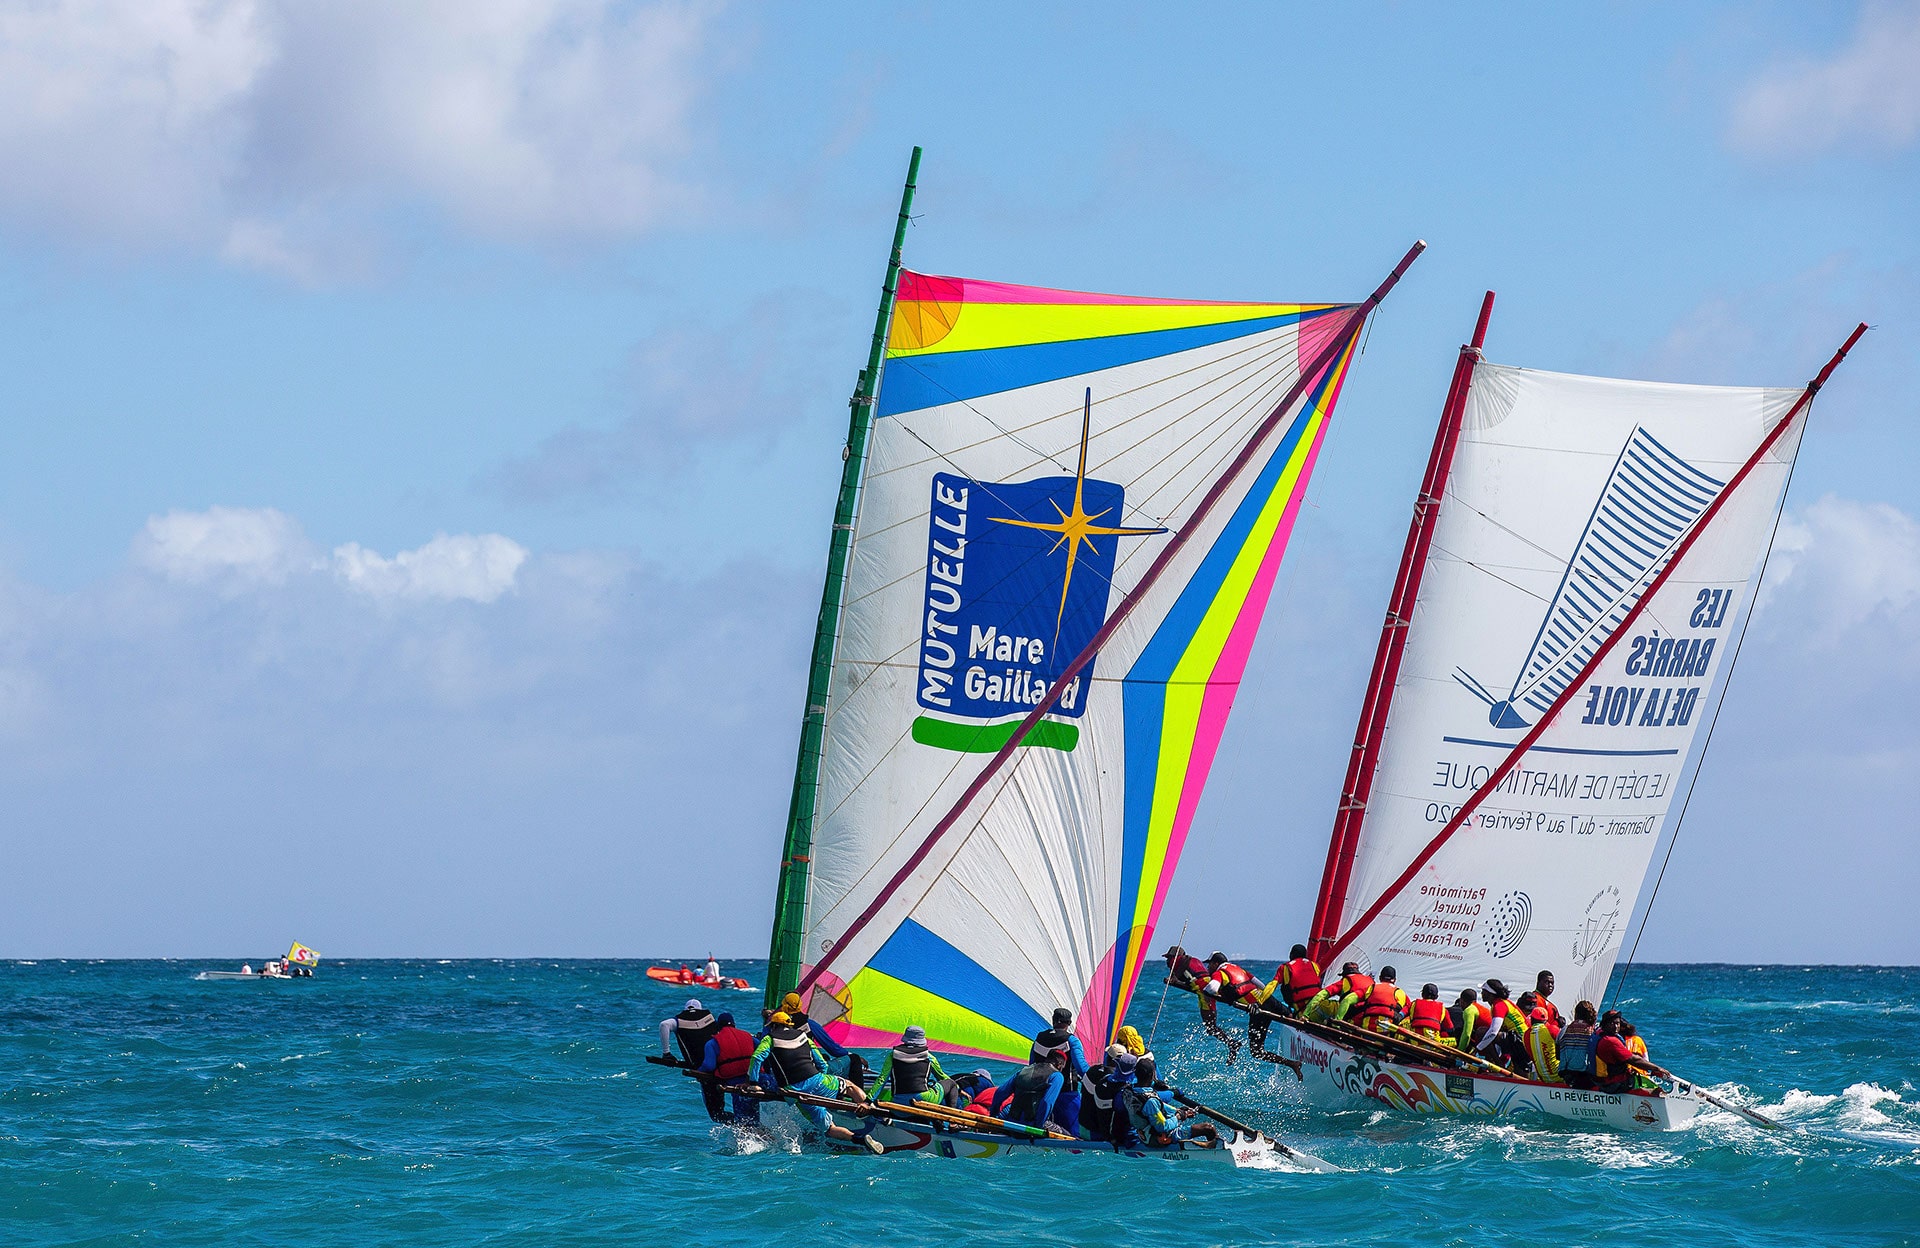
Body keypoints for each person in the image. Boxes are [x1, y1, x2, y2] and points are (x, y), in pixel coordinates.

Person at [748, 1011, 882, 1152]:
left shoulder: (769, 1039)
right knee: (849, 1086)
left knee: (829, 1129)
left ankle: (859, 1139)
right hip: (817, 1081)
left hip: (794, 1092)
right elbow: (822, 1064)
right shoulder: (803, 1036)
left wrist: (753, 1084)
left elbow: (757, 1058)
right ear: (789, 1025)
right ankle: (873, 1113)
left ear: (773, 1026)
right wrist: (822, 1081)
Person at [1120, 1057, 1218, 1148]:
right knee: (1208, 1128)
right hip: (1157, 1138)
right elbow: (1163, 1127)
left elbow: (1152, 1108)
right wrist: (1178, 1116)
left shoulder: (1128, 1090)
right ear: (1152, 1076)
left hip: (1144, 1133)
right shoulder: (1151, 1101)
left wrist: (1177, 1110)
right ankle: (1217, 1151)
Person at [1029, 1008, 1088, 1135]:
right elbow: (1082, 1069)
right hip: (1066, 1097)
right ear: (1069, 1023)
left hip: (1041, 1095)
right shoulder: (1071, 1040)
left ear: (1053, 1020)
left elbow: (1031, 1065)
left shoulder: (1038, 1039)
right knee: (1073, 1137)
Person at [662, 998, 725, 1116]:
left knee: (716, 1114)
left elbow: (664, 1025)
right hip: (719, 1066)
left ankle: (745, 1128)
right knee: (720, 1104)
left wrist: (666, 1053)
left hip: (701, 1068)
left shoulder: (678, 1020)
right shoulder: (710, 1018)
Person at [697, 1011, 762, 1125]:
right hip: (755, 1080)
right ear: (734, 1024)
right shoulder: (748, 1036)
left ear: (718, 1026)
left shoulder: (712, 1043)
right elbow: (763, 1050)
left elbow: (709, 1065)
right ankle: (770, 1137)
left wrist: (699, 1071)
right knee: (753, 1117)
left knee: (745, 1124)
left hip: (736, 1083)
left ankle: (762, 1138)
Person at [1594, 1010, 1670, 1093]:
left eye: (1617, 1023)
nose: (1616, 1026)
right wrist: (1657, 1068)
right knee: (1656, 1092)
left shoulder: (1598, 1034)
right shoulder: (1611, 1041)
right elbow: (1633, 1060)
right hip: (1614, 1084)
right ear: (1605, 1024)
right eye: (1612, 1023)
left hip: (1603, 1081)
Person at [991, 1049, 1066, 1129]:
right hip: (1032, 1125)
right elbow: (1046, 1102)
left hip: (1012, 1120)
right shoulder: (1057, 1076)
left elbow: (1000, 1092)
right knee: (1069, 1136)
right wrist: (1039, 1126)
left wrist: (993, 1115)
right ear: (1059, 1064)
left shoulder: (1024, 1070)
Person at [874, 1025, 948, 1105]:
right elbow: (942, 1077)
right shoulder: (929, 1057)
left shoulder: (893, 1055)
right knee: (950, 1084)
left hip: (899, 1102)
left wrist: (868, 1100)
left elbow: (882, 1079)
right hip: (922, 1101)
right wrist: (958, 1087)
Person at [1556, 1000, 1600, 1089]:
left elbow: (1558, 1055)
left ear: (1576, 1014)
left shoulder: (1564, 1030)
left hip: (1567, 1074)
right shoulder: (1594, 1032)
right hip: (1586, 1075)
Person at [1518, 995, 1560, 1083]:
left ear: (1532, 1019)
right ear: (1546, 1020)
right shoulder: (1552, 1029)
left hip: (1543, 1079)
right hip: (1560, 1077)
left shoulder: (1525, 1035)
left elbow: (1531, 1057)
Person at [1356, 966, 1410, 1033]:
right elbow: (1410, 1007)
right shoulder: (1400, 992)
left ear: (1380, 978)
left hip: (1366, 1029)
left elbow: (1348, 999)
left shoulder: (1371, 988)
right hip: (1386, 1032)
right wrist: (1401, 1015)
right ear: (1394, 980)